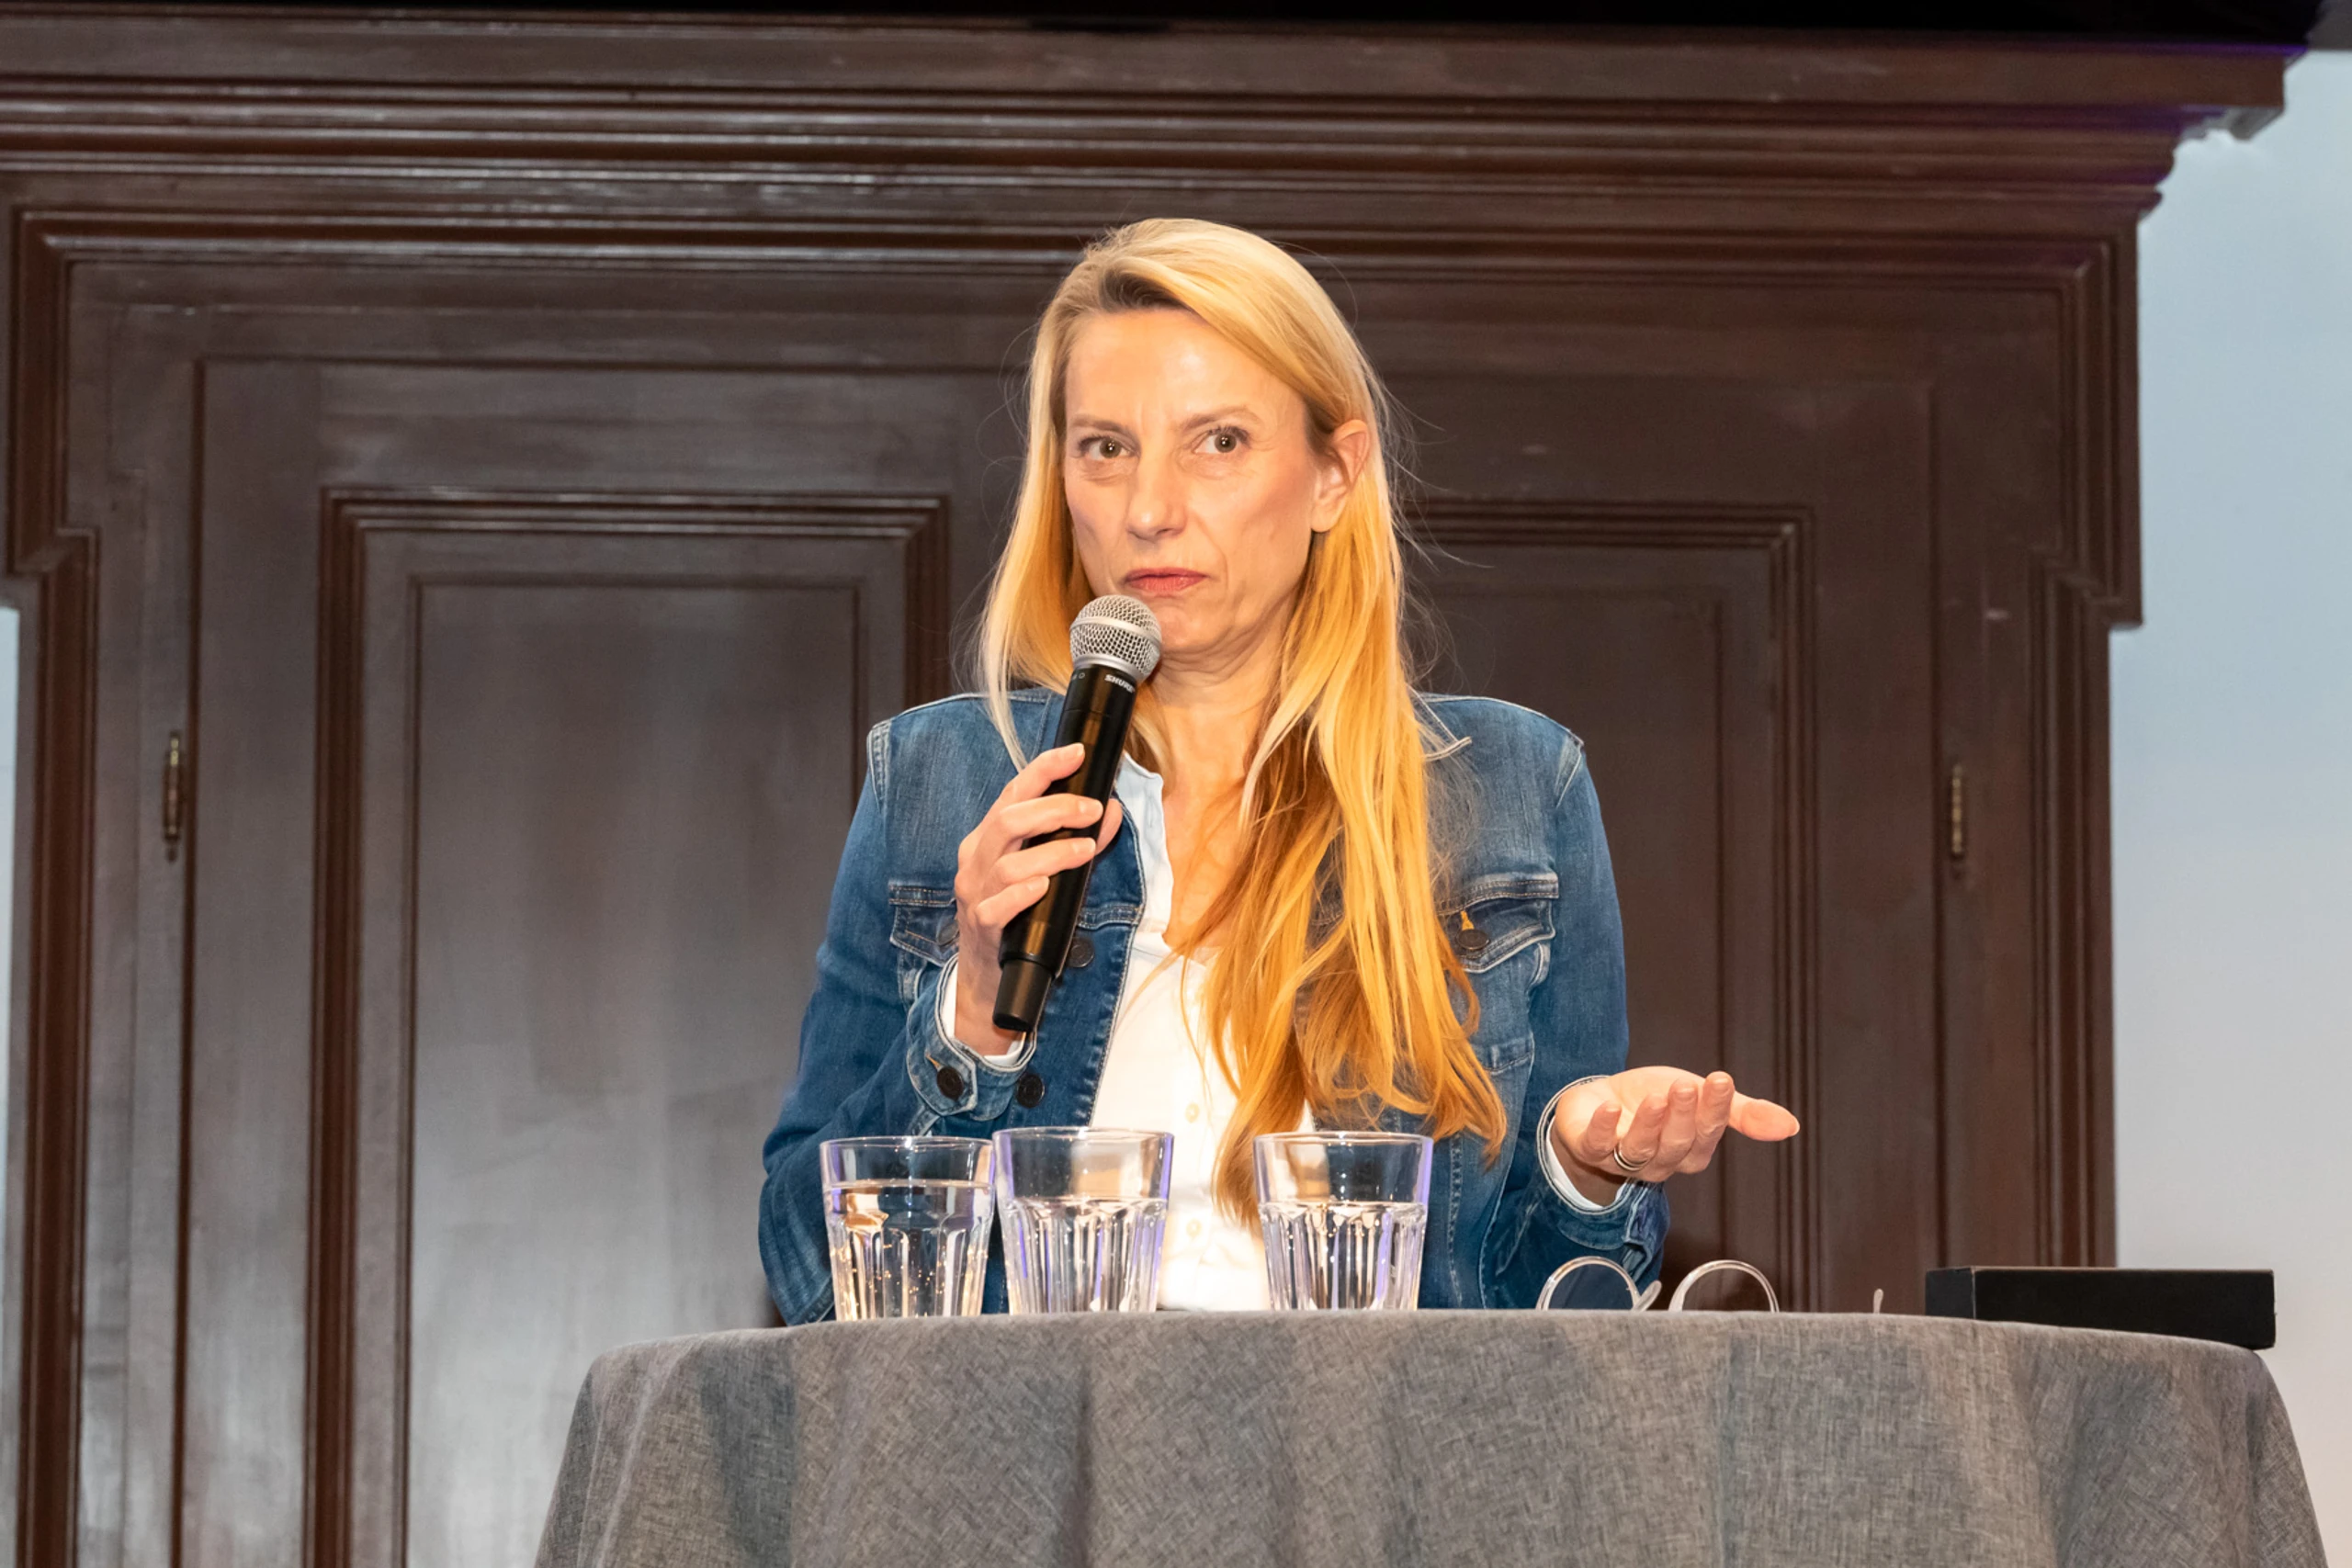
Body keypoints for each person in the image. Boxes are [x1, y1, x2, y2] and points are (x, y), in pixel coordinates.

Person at [758, 218, 1797, 1322]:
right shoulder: (939, 781)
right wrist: (970, 1015)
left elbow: (1549, 1325)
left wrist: (1584, 1171)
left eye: (1217, 442)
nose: (1148, 509)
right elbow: (809, 1282)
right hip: (1043, 1432)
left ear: (1333, 475)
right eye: (1104, 447)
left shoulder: (1511, 787)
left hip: (1373, 1432)